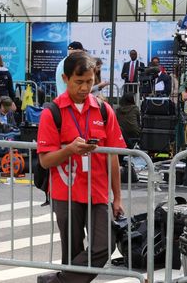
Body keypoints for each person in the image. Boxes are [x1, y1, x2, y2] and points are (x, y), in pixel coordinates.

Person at [36, 51, 125, 283]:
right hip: (65, 194)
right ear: (65, 79)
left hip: (97, 192)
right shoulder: (52, 113)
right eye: (79, 82)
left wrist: (117, 198)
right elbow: (45, 161)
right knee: (73, 253)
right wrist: (68, 150)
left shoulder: (105, 111)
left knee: (104, 246)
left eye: (90, 81)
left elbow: (112, 157)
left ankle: (55, 282)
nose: (85, 88)